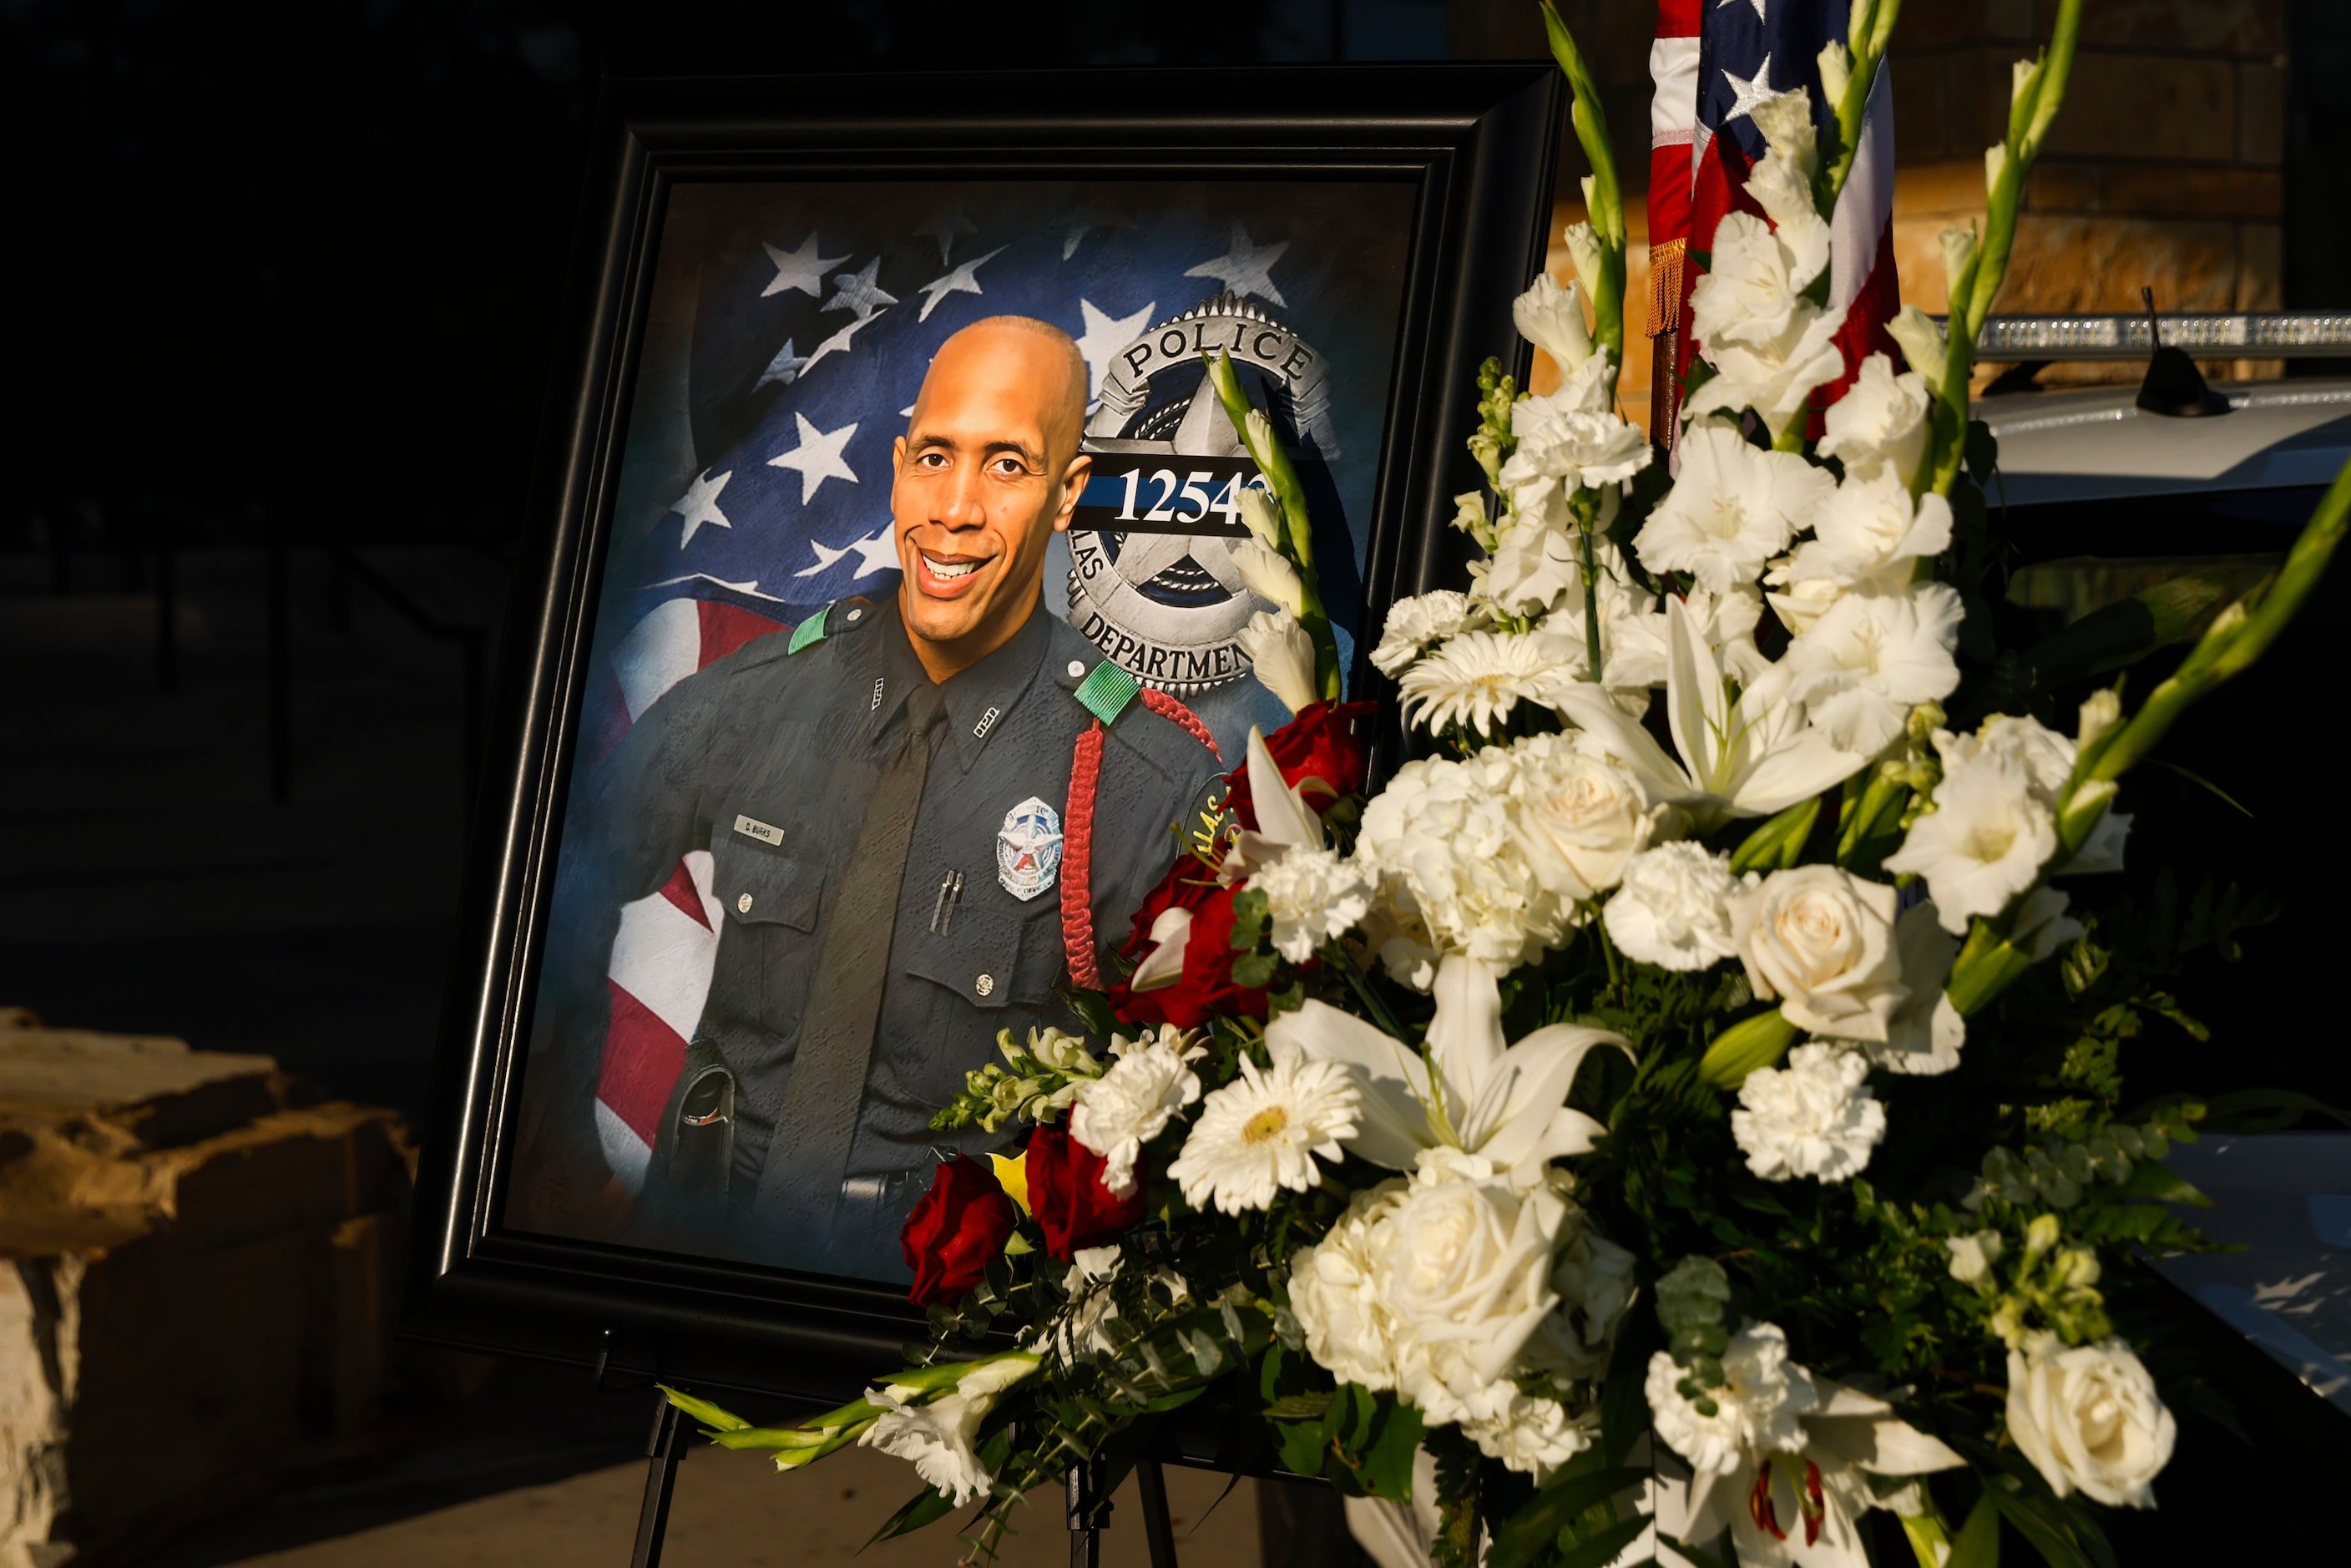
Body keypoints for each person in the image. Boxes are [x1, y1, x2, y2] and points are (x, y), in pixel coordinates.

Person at [518, 316, 1221, 1280]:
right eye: (935, 457)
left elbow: (1200, 1111)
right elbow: (550, 898)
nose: (955, 508)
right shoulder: (746, 705)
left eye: (1006, 465)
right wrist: (560, 1152)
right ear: (897, 468)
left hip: (938, 1321)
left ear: (1070, 494)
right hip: (697, 1261)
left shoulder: (1145, 784)